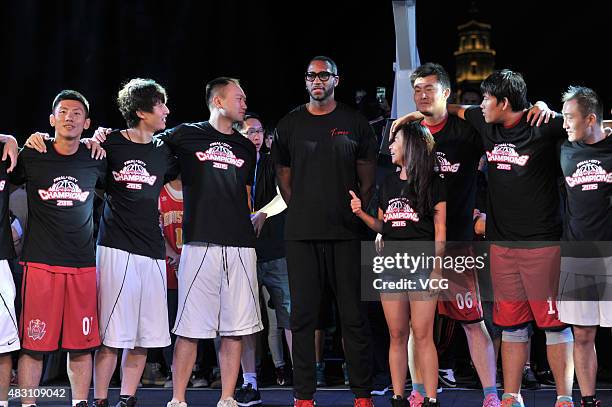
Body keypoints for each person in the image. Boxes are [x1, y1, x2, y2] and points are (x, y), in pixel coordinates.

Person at [393, 69, 574, 407]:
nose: (482, 104)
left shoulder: (541, 124)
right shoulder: (477, 123)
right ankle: (508, 394)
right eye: (416, 89)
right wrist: (415, 114)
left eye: (488, 99)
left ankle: (561, 397)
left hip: (536, 242)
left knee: (548, 325)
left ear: (504, 102)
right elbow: (458, 109)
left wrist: (548, 106)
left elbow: (589, 125)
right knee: (510, 325)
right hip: (494, 245)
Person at [272, 56, 377, 407]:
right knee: (302, 316)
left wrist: (354, 210)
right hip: (301, 234)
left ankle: (362, 394)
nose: (317, 80)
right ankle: (304, 396)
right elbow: (283, 177)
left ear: (336, 79)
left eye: (324, 75)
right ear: (305, 82)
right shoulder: (289, 124)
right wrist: (303, 208)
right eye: (311, 76)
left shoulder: (355, 122)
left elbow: (367, 178)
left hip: (348, 234)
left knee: (353, 317)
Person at [159, 77, 262, 407]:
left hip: (240, 246)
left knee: (234, 328)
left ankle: (228, 397)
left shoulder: (246, 147)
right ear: (218, 102)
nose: (244, 103)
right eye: (239, 97)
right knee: (189, 326)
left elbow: (244, 193)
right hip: (200, 243)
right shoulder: (186, 134)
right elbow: (146, 145)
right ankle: (178, 398)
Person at [404, 63, 499, 407]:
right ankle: (418, 389)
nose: (422, 95)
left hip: (458, 244)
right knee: (418, 328)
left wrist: (486, 211)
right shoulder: (410, 133)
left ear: (446, 92)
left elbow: (499, 138)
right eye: (417, 89)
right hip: (417, 246)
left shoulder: (465, 130)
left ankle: (492, 395)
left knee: (473, 322)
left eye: (429, 88)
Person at [10, 90, 106, 407]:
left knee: (81, 346)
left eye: (77, 113)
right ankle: (27, 403)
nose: (70, 117)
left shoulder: (95, 158)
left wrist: (102, 138)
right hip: (40, 264)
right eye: (63, 111)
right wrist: (12, 139)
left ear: (87, 122)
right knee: (33, 345)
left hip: (82, 264)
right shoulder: (32, 154)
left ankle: (80, 402)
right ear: (52, 120)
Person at [350, 121, 446, 407]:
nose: (390, 147)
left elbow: (440, 231)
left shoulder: (433, 182)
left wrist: (437, 269)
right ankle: (398, 396)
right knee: (396, 333)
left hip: (421, 262)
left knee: (422, 333)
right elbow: (383, 225)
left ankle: (430, 398)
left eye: (395, 142)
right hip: (390, 264)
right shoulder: (387, 182)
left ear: (411, 146)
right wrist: (360, 214)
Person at [557, 86, 611, 407]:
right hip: (577, 257)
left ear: (590, 119)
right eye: (562, 117)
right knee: (583, 335)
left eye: (570, 118)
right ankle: (588, 401)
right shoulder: (563, 148)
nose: (565, 124)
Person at [234, 113, 292, 407]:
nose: (254, 136)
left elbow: (285, 196)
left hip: (276, 250)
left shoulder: (273, 163)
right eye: (248, 131)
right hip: (241, 252)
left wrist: (262, 212)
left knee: (289, 315)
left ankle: (301, 381)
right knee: (244, 320)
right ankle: (249, 381)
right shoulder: (231, 166)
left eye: (258, 131)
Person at [0, 134, 19, 407]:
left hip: (0, 260)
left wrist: (11, 139)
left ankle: (2, 402)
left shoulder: (4, 153)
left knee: (3, 344)